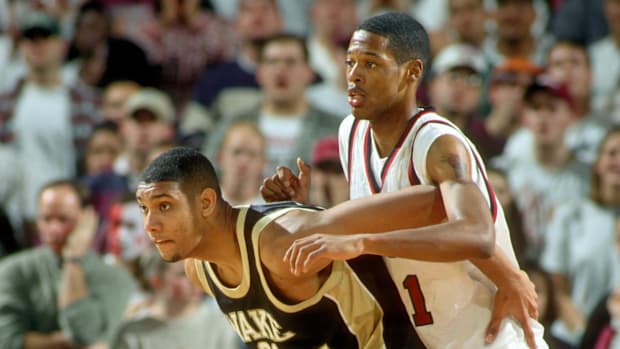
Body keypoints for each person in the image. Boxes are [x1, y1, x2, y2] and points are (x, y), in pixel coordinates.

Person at [261, 12, 547, 349]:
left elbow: (477, 234)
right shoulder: (350, 132)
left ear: (411, 72)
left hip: (494, 339)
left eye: (370, 64)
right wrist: (307, 209)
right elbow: (380, 221)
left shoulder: (437, 143)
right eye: (350, 62)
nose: (354, 75)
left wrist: (365, 241)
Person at [137, 146, 447, 348]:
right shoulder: (199, 270)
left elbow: (433, 202)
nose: (150, 223)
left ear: (205, 202)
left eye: (165, 206)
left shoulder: (282, 241)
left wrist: (464, 191)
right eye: (144, 208)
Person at [0, 179, 133, 349]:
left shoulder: (114, 277)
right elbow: (7, 341)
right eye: (46, 219)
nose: (54, 229)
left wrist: (73, 259)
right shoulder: (12, 270)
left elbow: (86, 334)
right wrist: (63, 342)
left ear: (88, 219)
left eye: (63, 219)